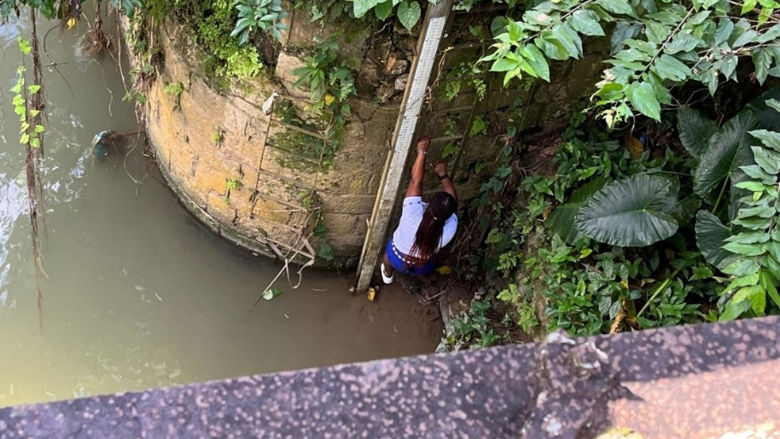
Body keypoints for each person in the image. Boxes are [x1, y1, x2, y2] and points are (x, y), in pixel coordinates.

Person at [381, 136, 458, 284]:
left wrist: (422, 151)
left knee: (387, 257)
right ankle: (422, 278)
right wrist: (443, 175)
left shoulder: (412, 213)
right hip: (424, 266)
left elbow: (416, 181)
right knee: (425, 263)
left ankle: (388, 275)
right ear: (449, 214)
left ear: (429, 205)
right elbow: (454, 202)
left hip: (398, 259)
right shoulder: (450, 228)